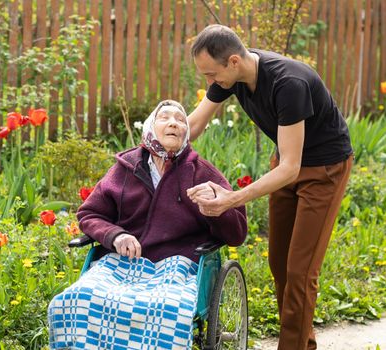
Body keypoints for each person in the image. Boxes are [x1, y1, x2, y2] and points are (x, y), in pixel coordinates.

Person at [186, 24, 353, 350]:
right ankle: (303, 343)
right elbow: (195, 123)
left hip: (324, 170)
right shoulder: (231, 77)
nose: (209, 83)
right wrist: (155, 147)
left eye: (210, 73)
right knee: (279, 263)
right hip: (287, 165)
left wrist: (233, 199)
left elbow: (291, 167)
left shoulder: (288, 84)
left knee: (300, 273)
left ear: (233, 61)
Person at [47, 100, 247, 349]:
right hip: (122, 262)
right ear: (151, 127)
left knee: (168, 309)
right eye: (165, 117)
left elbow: (237, 233)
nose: (174, 122)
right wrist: (115, 235)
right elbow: (89, 214)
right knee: (75, 299)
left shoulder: (202, 173)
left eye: (180, 119)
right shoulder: (126, 168)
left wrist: (214, 209)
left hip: (179, 266)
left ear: (186, 131)